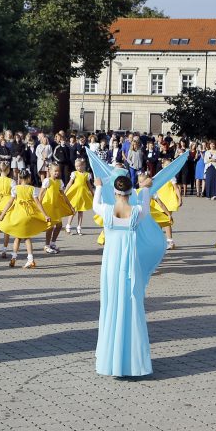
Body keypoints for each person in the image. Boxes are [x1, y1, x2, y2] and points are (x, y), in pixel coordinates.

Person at [93, 173, 162, 377]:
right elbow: (145, 203)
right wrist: (146, 187)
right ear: (130, 191)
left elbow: (96, 202)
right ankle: (132, 361)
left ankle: (110, 360)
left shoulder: (105, 210)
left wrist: (97, 185)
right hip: (130, 265)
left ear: (114, 192)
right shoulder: (138, 211)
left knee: (110, 306)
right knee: (131, 306)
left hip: (111, 265)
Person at [0, 169, 52, 269]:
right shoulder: (32, 189)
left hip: (17, 216)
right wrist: (45, 215)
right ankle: (30, 259)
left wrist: (1, 216)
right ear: (29, 178)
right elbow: (38, 203)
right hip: (28, 215)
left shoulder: (15, 188)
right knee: (26, 237)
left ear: (20, 178)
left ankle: (14, 257)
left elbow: (9, 203)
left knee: (17, 237)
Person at [40, 163, 76, 255]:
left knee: (59, 226)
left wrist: (70, 205)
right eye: (55, 171)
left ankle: (53, 243)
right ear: (50, 171)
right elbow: (41, 194)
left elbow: (63, 195)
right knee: (50, 227)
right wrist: (39, 206)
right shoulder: (47, 181)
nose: (57, 173)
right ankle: (47, 245)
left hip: (56, 206)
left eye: (58, 171)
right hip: (48, 206)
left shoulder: (60, 182)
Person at [64, 158, 94, 235]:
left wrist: (93, 193)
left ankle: (79, 227)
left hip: (83, 194)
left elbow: (89, 185)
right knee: (73, 210)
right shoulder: (74, 173)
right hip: (75, 194)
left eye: (79, 166)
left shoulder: (87, 174)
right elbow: (70, 183)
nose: (77, 168)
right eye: (76, 166)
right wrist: (65, 192)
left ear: (83, 165)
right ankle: (68, 226)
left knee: (81, 211)